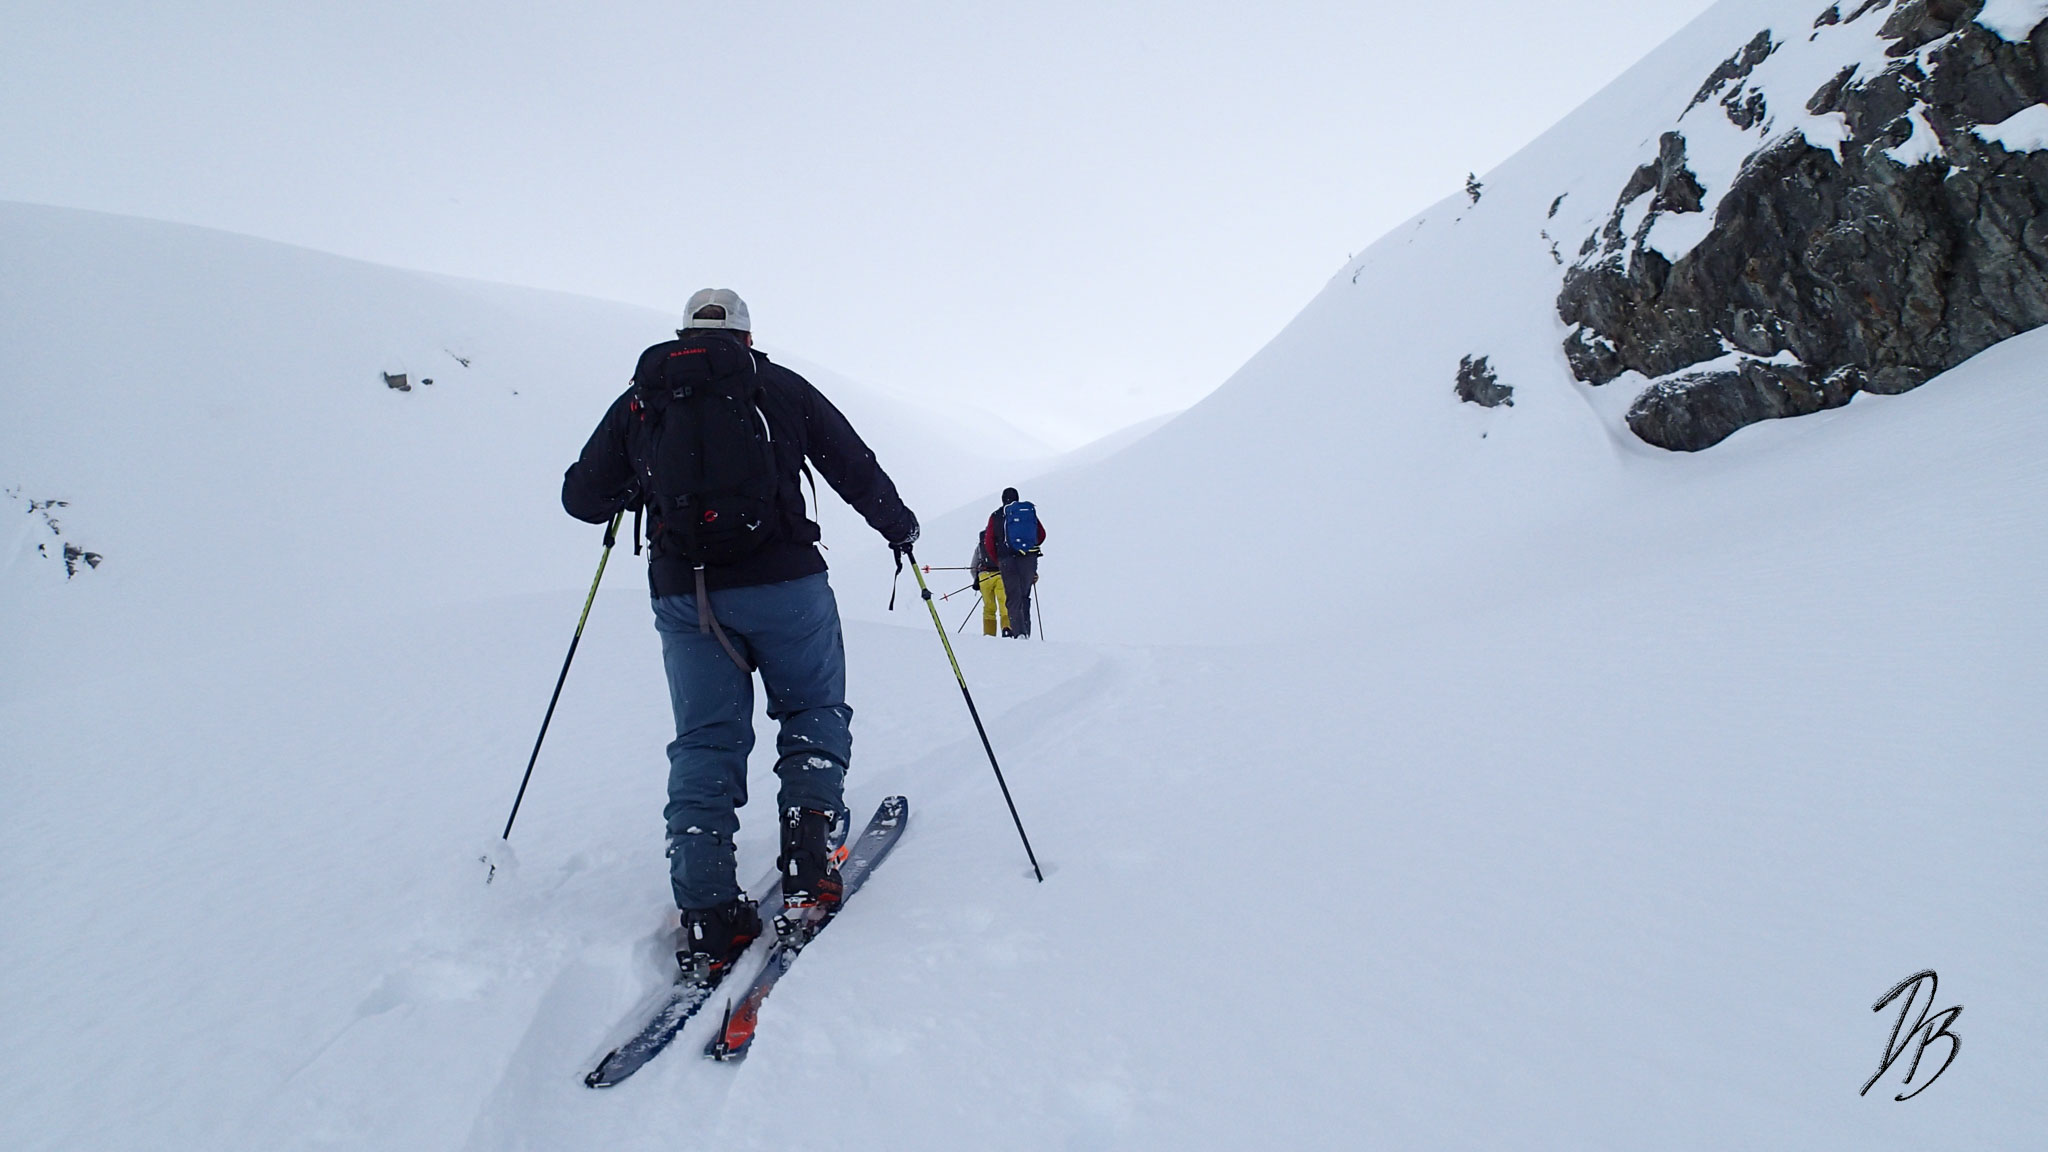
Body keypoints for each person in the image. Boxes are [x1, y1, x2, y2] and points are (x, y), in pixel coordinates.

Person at [560, 288, 919, 983]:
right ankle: (809, 859)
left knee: (706, 740)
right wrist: (897, 526)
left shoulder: (643, 398)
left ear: (681, 336)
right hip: (786, 585)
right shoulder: (777, 385)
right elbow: (852, 463)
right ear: (748, 338)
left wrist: (640, 483)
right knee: (811, 710)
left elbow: (582, 499)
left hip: (686, 595)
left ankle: (707, 909)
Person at [979, 487, 1044, 639]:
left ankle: (1018, 633)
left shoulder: (996, 516)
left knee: (1013, 598)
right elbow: (1041, 534)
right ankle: (1026, 632)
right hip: (1028, 559)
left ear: (1002, 499)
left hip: (1007, 560)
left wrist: (999, 561)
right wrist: (1028, 548)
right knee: (1024, 595)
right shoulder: (1026, 512)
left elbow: (989, 542)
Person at [969, 537, 1008, 637]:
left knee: (988, 608)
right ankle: (1007, 629)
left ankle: (989, 634)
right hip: (1002, 576)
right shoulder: (1004, 540)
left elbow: (973, 567)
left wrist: (977, 579)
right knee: (1004, 605)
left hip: (984, 577)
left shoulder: (981, 544)